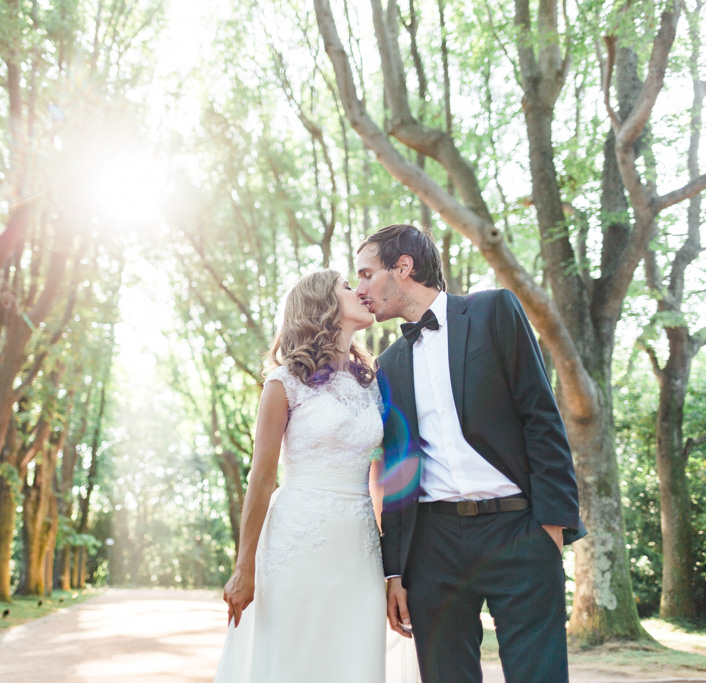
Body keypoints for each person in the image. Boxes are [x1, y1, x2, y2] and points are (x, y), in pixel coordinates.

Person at [355, 224, 586, 683]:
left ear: (403, 267)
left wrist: (552, 528)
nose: (360, 289)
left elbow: (540, 416)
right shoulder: (389, 364)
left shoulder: (493, 310)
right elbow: (399, 470)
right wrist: (396, 570)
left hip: (519, 528)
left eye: (366, 274)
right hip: (432, 543)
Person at [213, 269, 389, 682]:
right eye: (347, 287)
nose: (360, 292)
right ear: (322, 304)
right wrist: (244, 566)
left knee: (354, 659)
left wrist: (393, 561)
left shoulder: (373, 381)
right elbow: (261, 477)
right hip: (297, 536)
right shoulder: (284, 381)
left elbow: (383, 474)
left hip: (360, 544)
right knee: (296, 659)